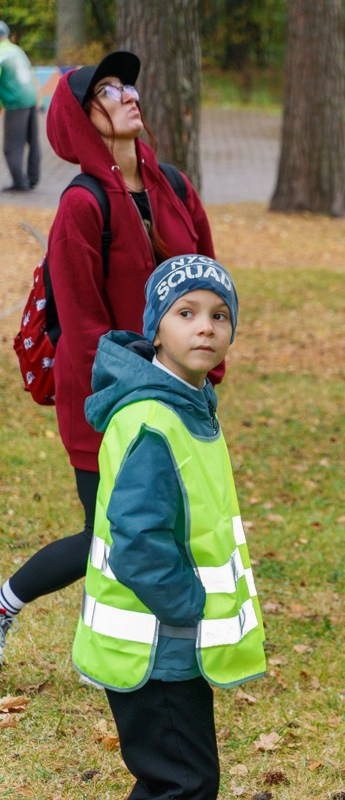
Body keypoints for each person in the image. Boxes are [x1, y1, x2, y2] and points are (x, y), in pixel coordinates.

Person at [0, 51, 215, 666]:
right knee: (110, 532)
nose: (129, 96)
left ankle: (154, 644)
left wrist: (203, 367)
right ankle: (7, 603)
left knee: (171, 520)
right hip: (102, 395)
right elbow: (88, 326)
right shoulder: (82, 205)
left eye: (129, 85)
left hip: (178, 387)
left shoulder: (173, 186)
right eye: (108, 91)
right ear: (79, 120)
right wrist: (144, 389)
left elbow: (207, 280)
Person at [73, 255, 265, 799]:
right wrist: (190, 608)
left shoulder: (189, 406)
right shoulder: (154, 420)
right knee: (182, 783)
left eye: (220, 315)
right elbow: (138, 542)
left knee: (181, 779)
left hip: (171, 645)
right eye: (186, 312)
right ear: (156, 327)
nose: (206, 325)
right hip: (155, 645)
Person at [0, 20, 40, 192]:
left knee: (11, 146)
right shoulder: (17, 50)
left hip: (15, 102)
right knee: (33, 142)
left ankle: (20, 183)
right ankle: (32, 178)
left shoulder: (1, 53)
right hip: (31, 98)